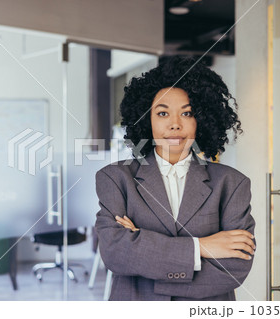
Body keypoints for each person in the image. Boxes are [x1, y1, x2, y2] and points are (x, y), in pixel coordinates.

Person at [95, 56, 256, 301]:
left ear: (201, 120)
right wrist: (201, 247)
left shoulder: (232, 184)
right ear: (146, 119)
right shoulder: (115, 178)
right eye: (162, 113)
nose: (174, 125)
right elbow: (116, 253)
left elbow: (234, 269)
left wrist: (144, 253)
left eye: (187, 113)